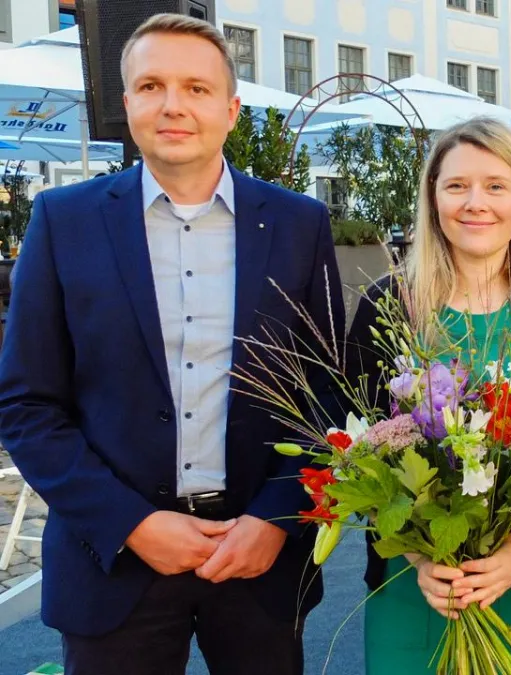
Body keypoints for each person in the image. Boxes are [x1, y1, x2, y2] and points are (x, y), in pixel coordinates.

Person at [0, 14, 343, 675]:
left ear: (231, 110)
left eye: (196, 88)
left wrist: (277, 516)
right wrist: (131, 524)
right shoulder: (63, 222)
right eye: (152, 86)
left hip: (256, 557)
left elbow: (328, 393)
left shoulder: (300, 225)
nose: (173, 105)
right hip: (113, 560)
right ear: (127, 103)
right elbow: (26, 405)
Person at [345, 117, 511, 674]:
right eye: (456, 185)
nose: (475, 203)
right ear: (433, 197)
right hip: (417, 589)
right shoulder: (388, 308)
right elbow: (364, 460)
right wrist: (423, 558)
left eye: (495, 185)